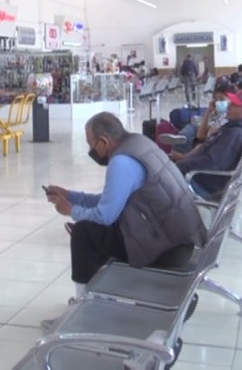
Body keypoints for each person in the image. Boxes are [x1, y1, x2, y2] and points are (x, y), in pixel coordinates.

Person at [44, 112, 206, 326]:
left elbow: (105, 215)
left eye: (91, 145)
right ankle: (95, 299)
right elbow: (110, 200)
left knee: (85, 233)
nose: (91, 151)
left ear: (104, 141)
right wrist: (71, 196)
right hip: (176, 238)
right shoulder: (140, 144)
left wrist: (71, 210)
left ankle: (83, 312)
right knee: (94, 231)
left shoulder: (121, 162)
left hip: (166, 249)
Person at [175, 89, 242, 199]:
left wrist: (181, 165)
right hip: (204, 177)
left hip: (202, 182)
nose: (228, 106)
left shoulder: (236, 134)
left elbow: (212, 162)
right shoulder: (238, 128)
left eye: (234, 105)